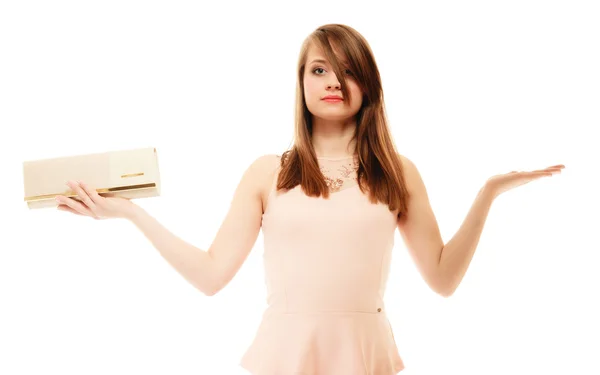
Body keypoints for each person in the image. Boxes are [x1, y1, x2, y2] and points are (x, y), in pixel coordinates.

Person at [54, 24, 564, 375]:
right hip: (283, 355)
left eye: (347, 70)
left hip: (365, 355)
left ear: (369, 84)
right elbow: (211, 277)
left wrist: (488, 195)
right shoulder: (268, 172)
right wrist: (131, 213)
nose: (333, 82)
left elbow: (443, 280)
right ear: (301, 83)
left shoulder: (396, 172)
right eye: (319, 69)